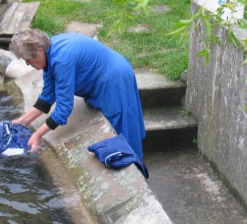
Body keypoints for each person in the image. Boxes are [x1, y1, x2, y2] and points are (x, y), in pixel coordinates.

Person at [9, 28, 146, 158]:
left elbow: (63, 110)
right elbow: (47, 96)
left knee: (122, 131)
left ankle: (135, 164)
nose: (27, 64)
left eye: (28, 59)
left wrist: (37, 135)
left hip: (114, 79)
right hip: (104, 76)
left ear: (39, 50)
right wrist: (22, 121)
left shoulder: (62, 59)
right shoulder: (49, 51)